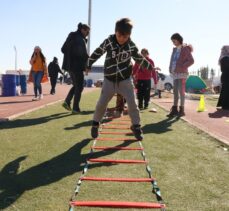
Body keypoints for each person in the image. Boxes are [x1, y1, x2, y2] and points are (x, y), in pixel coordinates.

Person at [85, 18, 154, 140]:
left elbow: (138, 58)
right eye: (119, 35)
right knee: (102, 103)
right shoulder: (109, 41)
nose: (122, 39)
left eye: (125, 36)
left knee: (132, 103)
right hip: (109, 79)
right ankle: (95, 124)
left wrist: (150, 67)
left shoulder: (131, 46)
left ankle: (136, 126)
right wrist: (88, 64)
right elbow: (98, 51)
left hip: (125, 80)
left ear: (129, 35)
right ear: (115, 32)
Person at [61, 22, 90, 113]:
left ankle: (67, 101)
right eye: (87, 32)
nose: (87, 34)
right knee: (80, 86)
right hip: (76, 66)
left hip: (69, 66)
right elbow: (83, 54)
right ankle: (75, 107)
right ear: (82, 30)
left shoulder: (71, 36)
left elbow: (62, 49)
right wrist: (88, 65)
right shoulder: (80, 39)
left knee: (77, 85)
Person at [167, 33, 194, 117]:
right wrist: (170, 67)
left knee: (181, 92)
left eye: (174, 41)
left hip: (182, 74)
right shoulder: (174, 49)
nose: (173, 42)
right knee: (175, 91)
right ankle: (175, 109)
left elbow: (191, 60)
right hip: (175, 73)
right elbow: (172, 60)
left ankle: (182, 110)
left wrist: (182, 66)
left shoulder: (185, 49)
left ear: (179, 40)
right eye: (172, 41)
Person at [217, 45, 229, 110]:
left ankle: (224, 105)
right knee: (226, 91)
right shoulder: (225, 58)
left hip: (225, 77)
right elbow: (226, 68)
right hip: (226, 77)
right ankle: (225, 106)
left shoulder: (225, 58)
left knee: (225, 91)